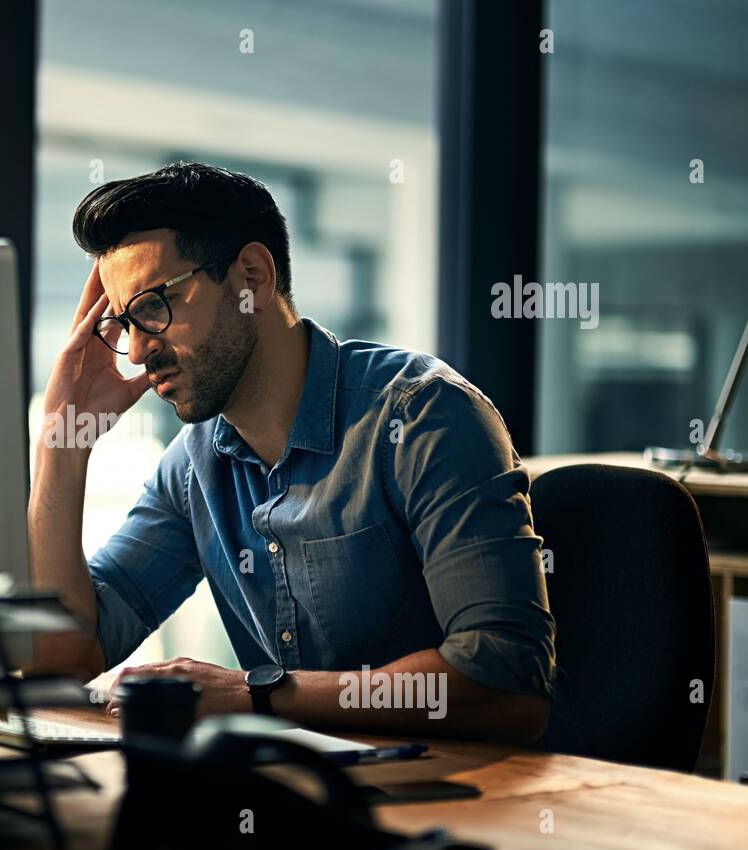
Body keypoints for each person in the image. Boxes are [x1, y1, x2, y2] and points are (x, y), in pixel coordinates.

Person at [28, 161, 554, 743]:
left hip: (477, 804)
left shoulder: (422, 417)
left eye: (154, 306)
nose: (136, 351)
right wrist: (62, 444)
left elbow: (506, 683)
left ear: (252, 275)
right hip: (307, 800)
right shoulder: (193, 468)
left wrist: (258, 695)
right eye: (123, 324)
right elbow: (64, 659)